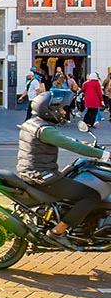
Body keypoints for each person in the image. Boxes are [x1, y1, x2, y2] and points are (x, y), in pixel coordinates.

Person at [16, 90, 111, 248]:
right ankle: (57, 233)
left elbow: (66, 140)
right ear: (49, 109)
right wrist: (104, 155)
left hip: (30, 172)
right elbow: (70, 145)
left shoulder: (32, 123)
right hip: (42, 176)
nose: (63, 112)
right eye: (61, 109)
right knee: (91, 196)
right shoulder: (45, 130)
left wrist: (87, 146)